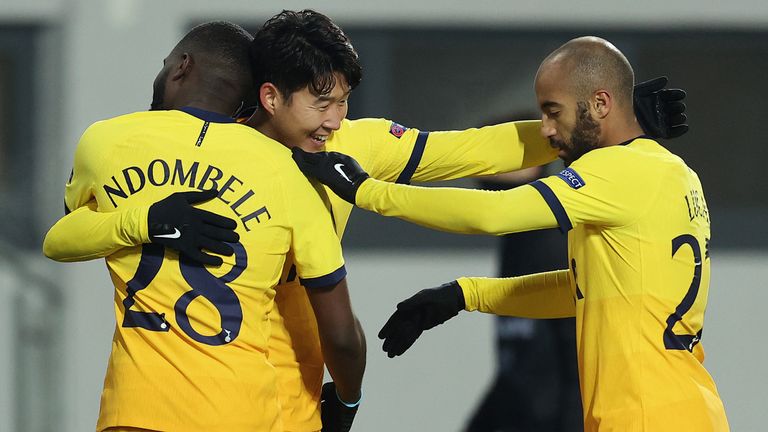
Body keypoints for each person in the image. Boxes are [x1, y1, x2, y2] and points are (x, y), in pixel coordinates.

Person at [44, 10, 687, 432]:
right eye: (322, 103)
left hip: (295, 408)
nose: (335, 120)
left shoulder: (356, 143)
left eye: (344, 101)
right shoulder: (231, 156)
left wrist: (609, 123)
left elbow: (475, 150)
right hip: (230, 397)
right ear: (270, 97)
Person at [292, 36, 728, 431]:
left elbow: (494, 212)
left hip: (643, 416)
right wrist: (467, 294)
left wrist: (365, 190)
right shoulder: (674, 173)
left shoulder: (615, 170)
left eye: (553, 112)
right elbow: (584, 291)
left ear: (600, 103)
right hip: (689, 407)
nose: (545, 129)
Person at [42, 21, 365, 432]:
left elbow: (62, 238)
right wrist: (348, 398)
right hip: (245, 415)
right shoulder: (290, 170)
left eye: (163, 66)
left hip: (137, 413)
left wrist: (145, 222)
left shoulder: (107, 141)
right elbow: (340, 335)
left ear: (182, 66)